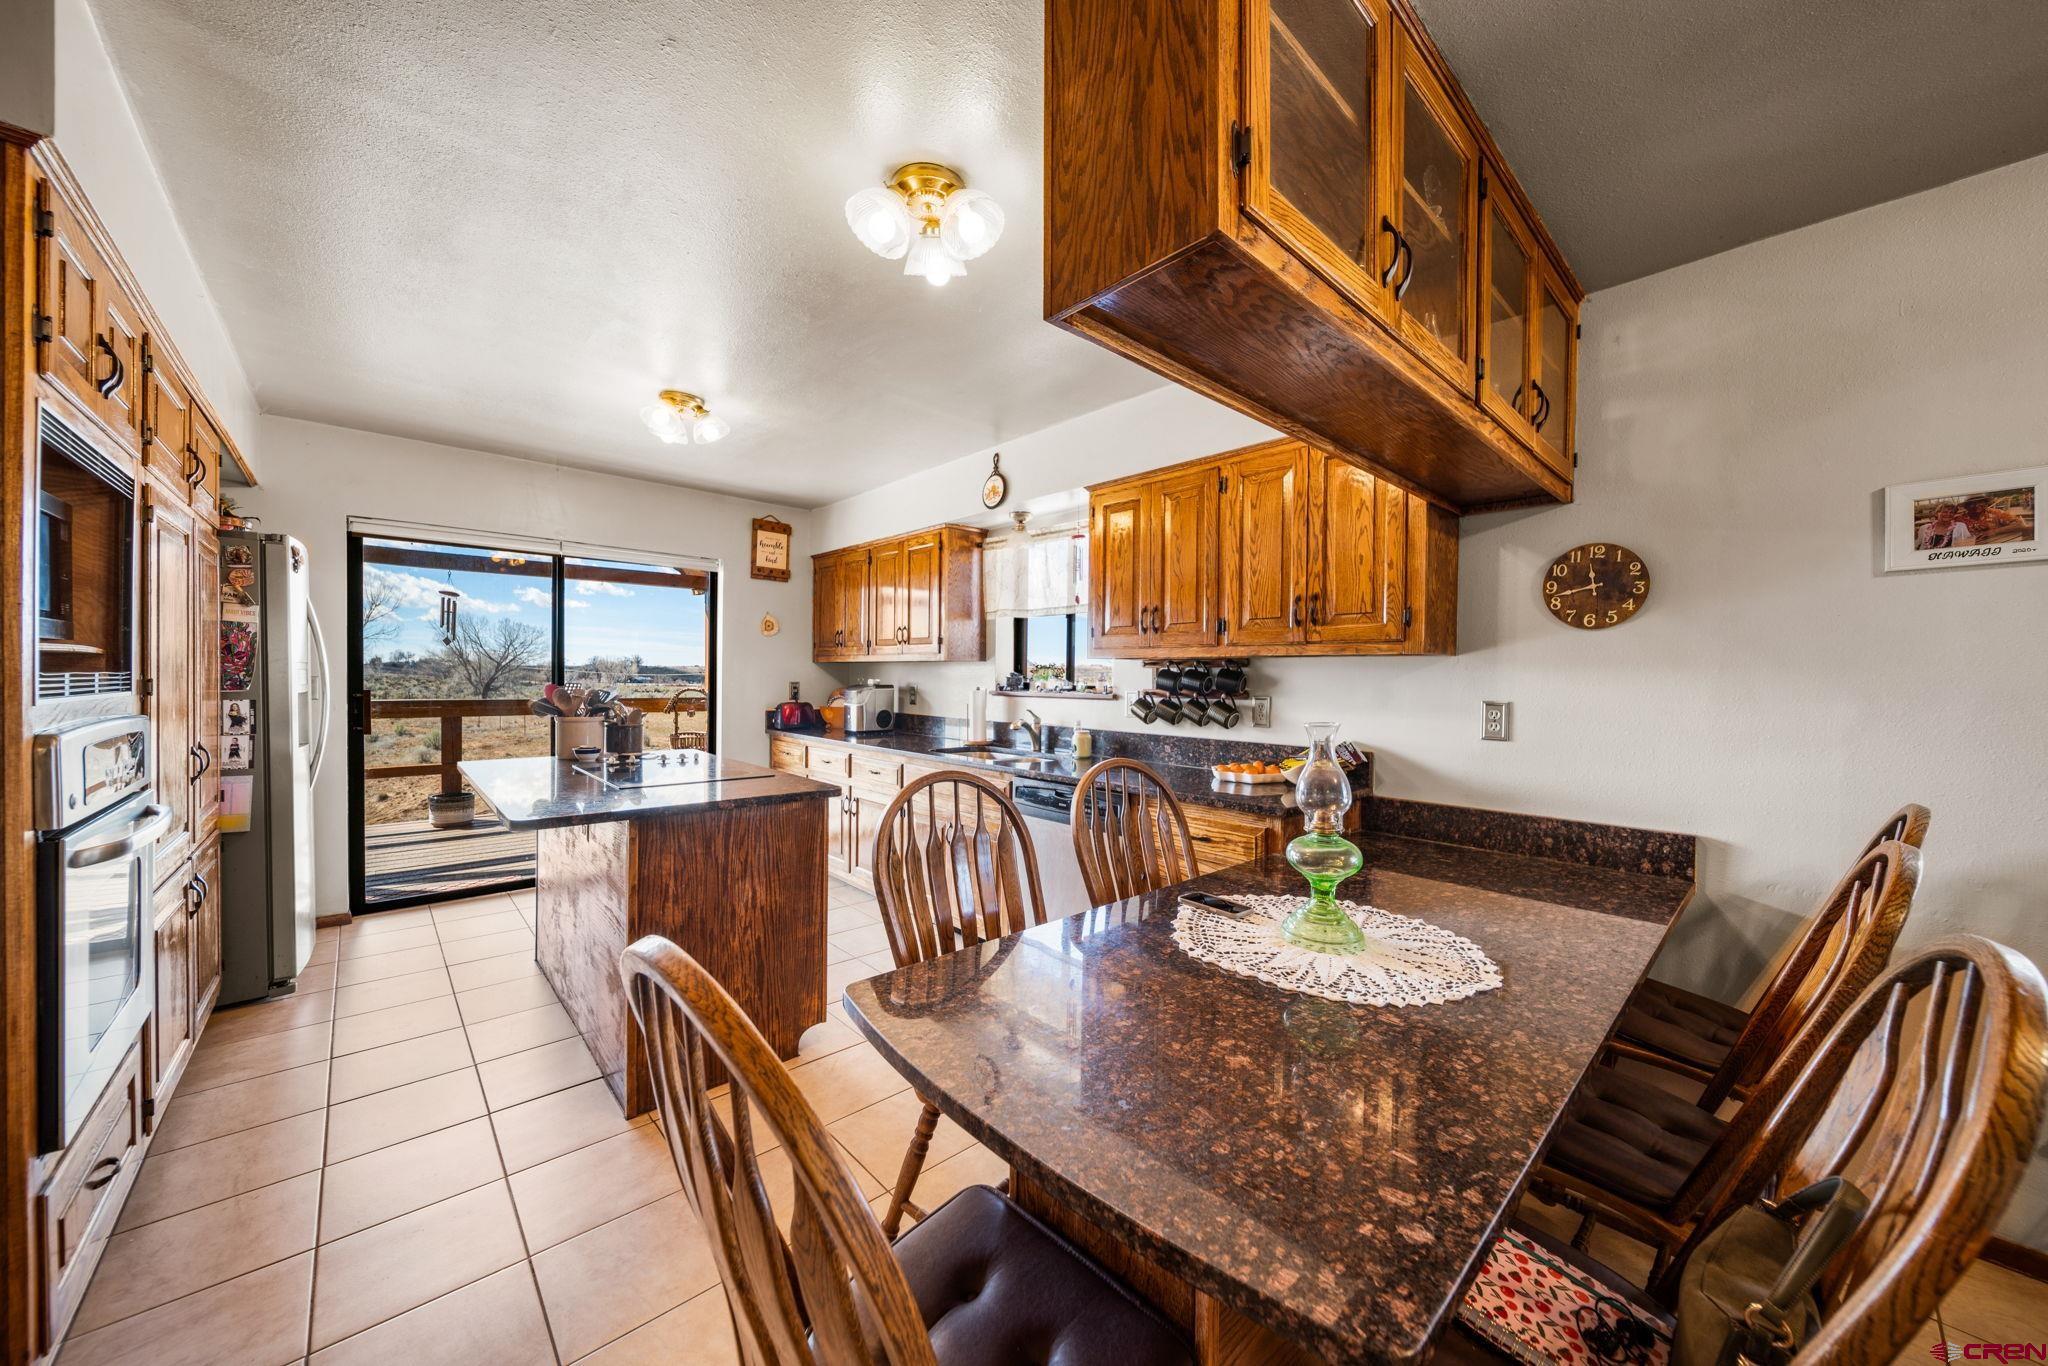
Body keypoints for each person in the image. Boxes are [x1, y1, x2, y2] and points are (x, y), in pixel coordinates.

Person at [1958, 493, 2032, 544]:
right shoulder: (1959, 518)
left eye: (1980, 502)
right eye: (1972, 503)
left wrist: (1993, 532)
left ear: (1986, 504)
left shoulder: (1995, 513)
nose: (1977, 505)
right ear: (1966, 506)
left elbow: (2020, 524)